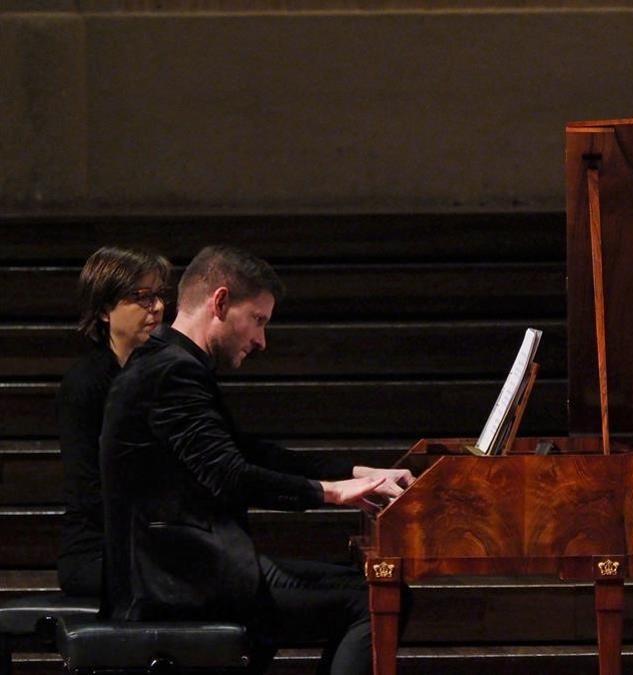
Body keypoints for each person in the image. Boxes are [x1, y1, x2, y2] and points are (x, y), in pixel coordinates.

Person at [100, 245, 412, 675]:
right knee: (373, 601)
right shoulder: (171, 372)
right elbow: (229, 475)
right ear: (221, 302)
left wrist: (354, 473)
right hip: (177, 583)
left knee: (374, 589)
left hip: (190, 569)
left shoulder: (170, 364)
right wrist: (331, 493)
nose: (262, 340)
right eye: (259, 320)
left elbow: (245, 451)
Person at [56, 246, 172, 597]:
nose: (157, 307)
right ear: (105, 309)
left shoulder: (165, 374)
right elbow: (89, 491)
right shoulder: (84, 383)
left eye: (158, 295)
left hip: (155, 543)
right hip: (97, 552)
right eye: (141, 297)